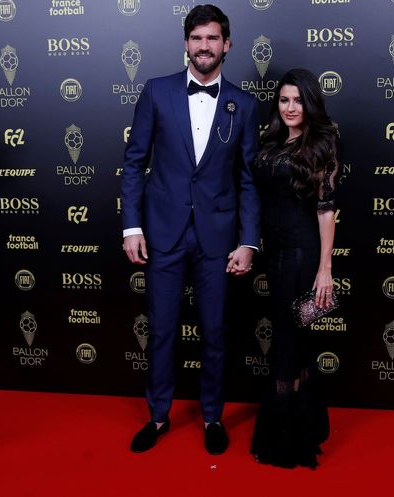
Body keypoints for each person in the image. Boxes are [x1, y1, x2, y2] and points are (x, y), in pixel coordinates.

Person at [120, 4, 260, 455]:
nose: (204, 46)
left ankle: (212, 417)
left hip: (218, 239)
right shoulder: (157, 92)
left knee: (215, 331)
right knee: (161, 329)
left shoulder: (245, 104)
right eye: (197, 38)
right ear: (186, 43)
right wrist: (132, 227)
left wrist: (247, 240)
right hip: (163, 232)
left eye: (213, 38)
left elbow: (248, 179)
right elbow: (134, 162)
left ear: (227, 44)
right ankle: (159, 416)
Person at [250, 68, 339, 469]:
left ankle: (289, 441)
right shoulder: (269, 141)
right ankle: (303, 424)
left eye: (297, 100)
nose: (290, 107)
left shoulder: (322, 143)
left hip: (301, 254)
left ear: (310, 102)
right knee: (292, 341)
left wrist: (325, 268)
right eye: (284, 100)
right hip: (274, 252)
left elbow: (326, 210)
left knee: (289, 340)